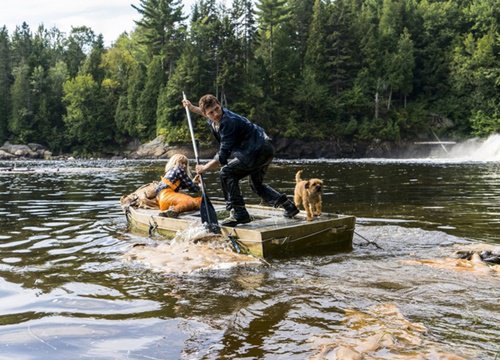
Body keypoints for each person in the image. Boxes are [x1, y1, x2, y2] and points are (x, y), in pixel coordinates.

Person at [182, 94, 299, 226]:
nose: (215, 114)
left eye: (217, 109)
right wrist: (192, 108)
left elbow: (222, 156)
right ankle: (289, 206)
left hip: (258, 150)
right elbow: (204, 113)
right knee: (256, 185)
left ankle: (239, 213)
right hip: (264, 149)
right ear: (206, 113)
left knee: (226, 173)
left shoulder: (228, 122)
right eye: (211, 112)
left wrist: (204, 168)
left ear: (219, 105)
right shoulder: (214, 118)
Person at [156, 154, 202, 218]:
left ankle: (170, 210)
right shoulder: (178, 169)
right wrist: (200, 186)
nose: (184, 165)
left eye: (185, 164)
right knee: (197, 201)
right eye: (182, 163)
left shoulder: (170, 171)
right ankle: (174, 210)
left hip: (162, 201)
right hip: (167, 196)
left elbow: (185, 185)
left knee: (194, 202)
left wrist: (193, 182)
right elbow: (194, 189)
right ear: (175, 162)